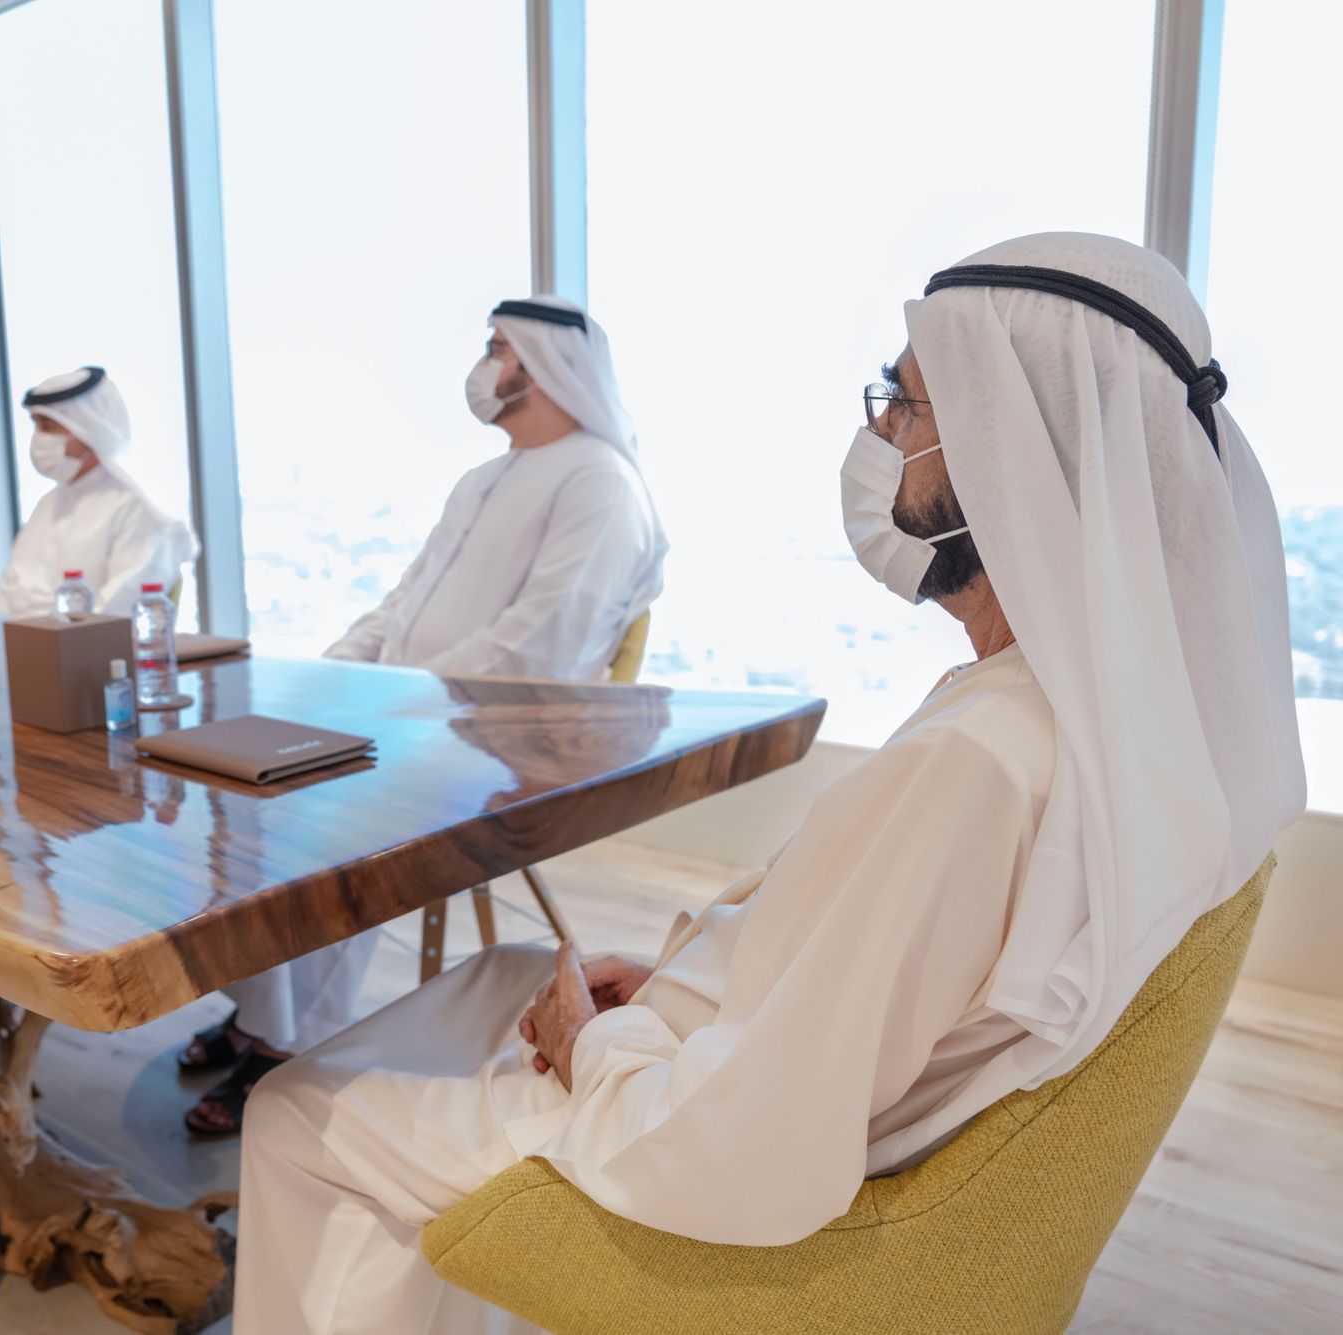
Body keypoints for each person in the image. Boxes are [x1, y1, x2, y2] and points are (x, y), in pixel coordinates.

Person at [229, 233, 1306, 1334]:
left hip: (676, 1145)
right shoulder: (1090, 721)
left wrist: (595, 1043)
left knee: (294, 1112)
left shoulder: (981, 759)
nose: (877, 434)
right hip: (717, 1060)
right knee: (505, 971)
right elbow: (875, 982)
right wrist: (682, 982)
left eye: (906, 405)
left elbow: (741, 1145)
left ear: (1012, 448)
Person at [181, 296, 668, 1137]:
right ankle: (264, 1012)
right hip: (416, 713)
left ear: (547, 365)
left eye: (498, 347)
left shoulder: (601, 481)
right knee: (253, 779)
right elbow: (402, 606)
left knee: (322, 803)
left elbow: (540, 645)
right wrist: (327, 677)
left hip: (497, 737)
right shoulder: (481, 479)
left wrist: (402, 704)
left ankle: (285, 1041)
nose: (484, 363)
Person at [0, 366, 196, 618]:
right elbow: (8, 595)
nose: (39, 437)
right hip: (23, 638)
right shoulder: (47, 504)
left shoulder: (136, 509)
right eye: (35, 425)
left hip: (84, 642)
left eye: (48, 426)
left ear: (87, 429)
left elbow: (114, 614)